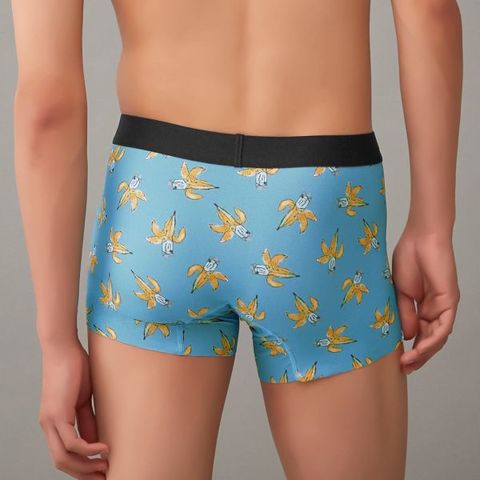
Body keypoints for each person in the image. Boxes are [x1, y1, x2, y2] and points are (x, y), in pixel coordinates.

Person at [11, 0, 462, 478]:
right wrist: (432, 226)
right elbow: (429, 10)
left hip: (159, 209)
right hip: (320, 206)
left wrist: (57, 342)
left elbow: (47, 105)